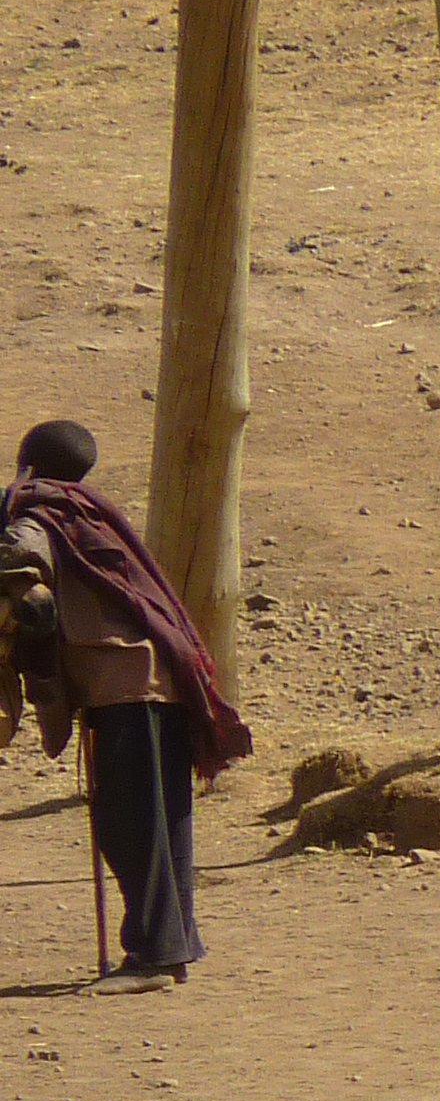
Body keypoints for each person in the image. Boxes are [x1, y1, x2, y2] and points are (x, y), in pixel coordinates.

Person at [2, 420, 254, 992]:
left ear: (28, 466)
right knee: (164, 822)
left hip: (123, 684)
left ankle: (153, 959)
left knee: (128, 827)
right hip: (159, 679)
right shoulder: (89, 513)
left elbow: (30, 594)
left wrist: (35, 664)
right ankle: (173, 946)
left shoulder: (35, 518)